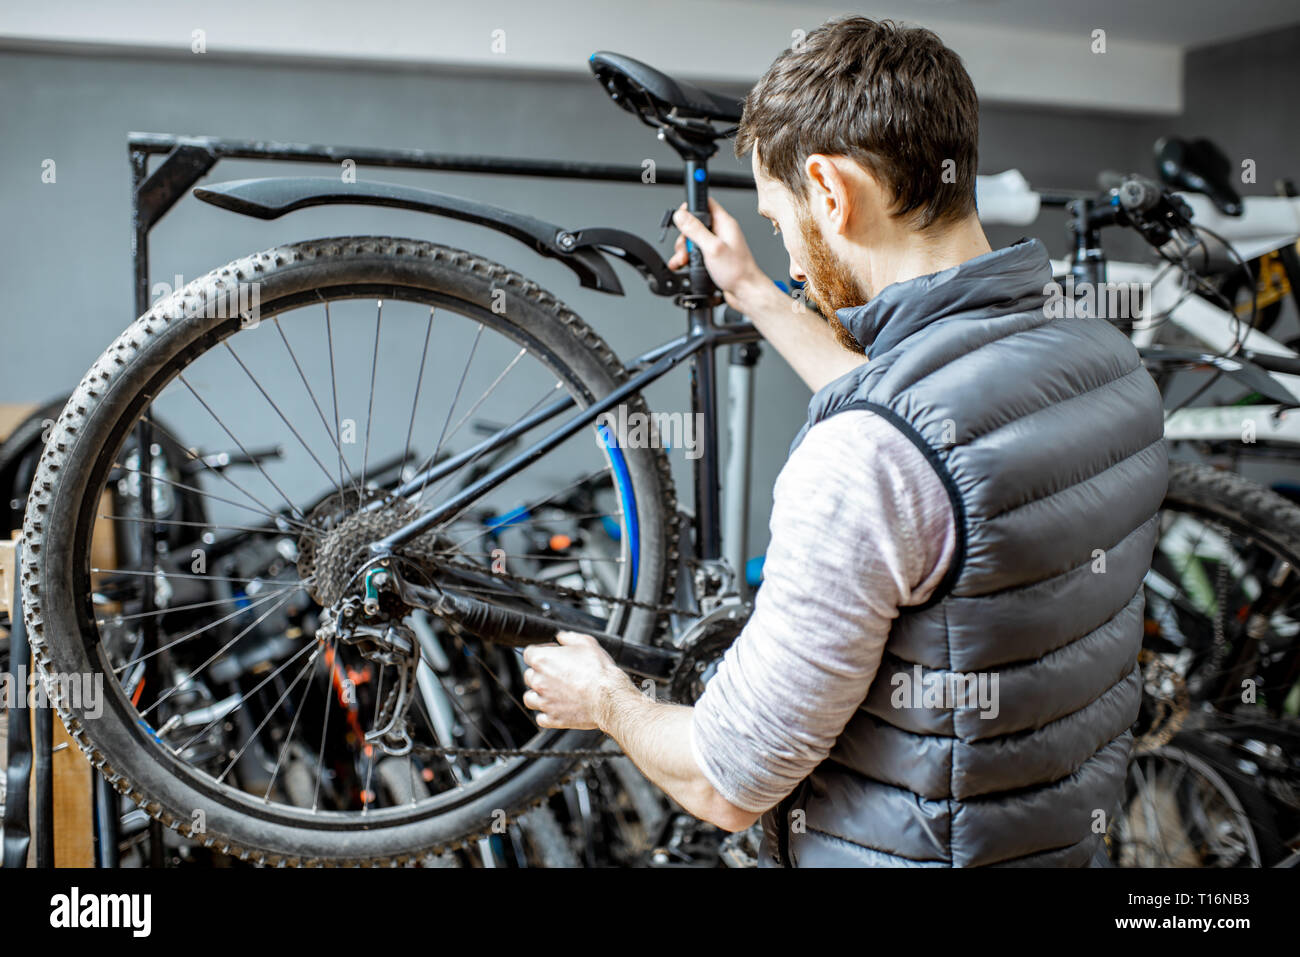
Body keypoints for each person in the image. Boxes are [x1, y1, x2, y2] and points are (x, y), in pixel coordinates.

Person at [521, 15, 1168, 866]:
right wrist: (753, 291)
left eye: (784, 224)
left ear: (831, 190)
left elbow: (727, 782)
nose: (790, 257)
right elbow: (939, 440)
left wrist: (605, 699)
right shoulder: (1103, 360)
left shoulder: (863, 458)